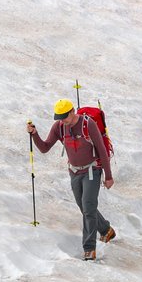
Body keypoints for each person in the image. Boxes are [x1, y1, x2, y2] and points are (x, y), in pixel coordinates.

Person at [28, 99, 115, 261]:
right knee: (84, 207)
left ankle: (89, 249)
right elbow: (45, 148)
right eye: (59, 118)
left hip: (92, 170)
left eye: (65, 117)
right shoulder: (59, 127)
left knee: (88, 207)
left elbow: (102, 151)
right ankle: (106, 230)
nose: (63, 121)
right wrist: (34, 135)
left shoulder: (88, 125)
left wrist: (108, 176)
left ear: (72, 112)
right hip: (74, 172)